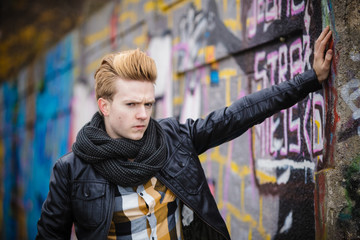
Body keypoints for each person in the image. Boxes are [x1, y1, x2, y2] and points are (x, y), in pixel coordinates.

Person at [36, 27, 333, 240]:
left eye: (148, 103)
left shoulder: (173, 138)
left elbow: (239, 114)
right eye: (131, 104)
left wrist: (311, 79)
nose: (143, 114)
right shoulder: (72, 170)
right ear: (105, 106)